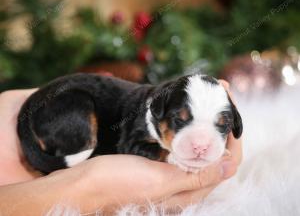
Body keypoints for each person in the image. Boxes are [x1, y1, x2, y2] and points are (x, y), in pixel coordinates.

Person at [0, 81, 242, 215]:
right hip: (62, 106)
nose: (201, 144)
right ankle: (57, 153)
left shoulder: (161, 102)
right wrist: (166, 156)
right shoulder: (143, 117)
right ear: (158, 112)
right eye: (181, 120)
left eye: (221, 127)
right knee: (80, 121)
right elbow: (133, 145)